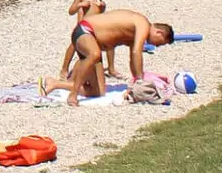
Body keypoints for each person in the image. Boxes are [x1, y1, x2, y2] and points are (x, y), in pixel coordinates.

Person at [42, 10, 174, 105]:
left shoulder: (136, 32)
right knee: (94, 55)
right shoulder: (143, 23)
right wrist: (140, 79)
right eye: (159, 42)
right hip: (85, 31)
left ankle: (54, 83)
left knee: (97, 92)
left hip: (93, 43)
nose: (155, 45)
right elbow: (136, 52)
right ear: (159, 32)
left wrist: (135, 82)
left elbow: (132, 58)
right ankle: (73, 95)